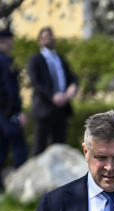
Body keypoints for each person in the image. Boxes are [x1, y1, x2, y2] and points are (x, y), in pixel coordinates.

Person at [27, 26, 78, 156]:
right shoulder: (35, 59)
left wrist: (71, 89)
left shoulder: (60, 59)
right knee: (40, 146)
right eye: (44, 37)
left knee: (60, 144)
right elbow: (36, 83)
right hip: (44, 107)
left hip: (62, 108)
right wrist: (52, 96)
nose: (47, 40)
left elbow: (72, 78)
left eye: (49, 36)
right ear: (39, 41)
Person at [0, 28, 27, 187]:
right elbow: (9, 89)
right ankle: (21, 185)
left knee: (2, 147)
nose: (13, 43)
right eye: (11, 40)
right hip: (6, 112)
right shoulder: (4, 61)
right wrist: (16, 111)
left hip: (3, 111)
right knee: (19, 146)